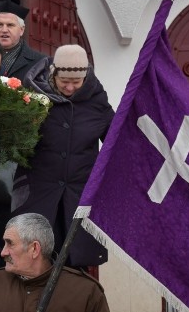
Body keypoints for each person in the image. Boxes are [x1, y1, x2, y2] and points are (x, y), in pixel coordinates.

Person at [11, 45, 115, 267]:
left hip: (79, 196)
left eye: (76, 83)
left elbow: (115, 142)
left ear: (85, 77)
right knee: (35, 258)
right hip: (38, 191)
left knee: (75, 262)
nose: (69, 87)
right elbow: (13, 140)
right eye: (63, 81)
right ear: (53, 74)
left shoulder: (97, 100)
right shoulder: (32, 95)